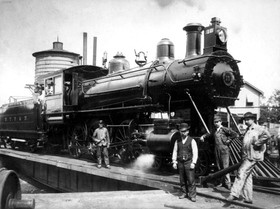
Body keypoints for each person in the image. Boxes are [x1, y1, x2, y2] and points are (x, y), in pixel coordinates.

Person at [227, 112, 270, 204]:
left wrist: (257, 143)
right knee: (247, 177)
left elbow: (267, 135)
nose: (246, 121)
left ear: (253, 119)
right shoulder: (248, 129)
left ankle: (234, 194)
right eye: (245, 120)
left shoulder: (259, 128)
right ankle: (248, 198)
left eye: (248, 119)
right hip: (246, 155)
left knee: (241, 172)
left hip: (252, 156)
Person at [201, 115, 238, 190]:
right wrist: (203, 136)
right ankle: (221, 183)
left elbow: (235, 134)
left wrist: (229, 140)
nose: (216, 123)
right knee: (219, 167)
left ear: (221, 122)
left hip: (224, 150)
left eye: (217, 122)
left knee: (225, 167)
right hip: (217, 150)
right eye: (215, 122)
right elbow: (209, 134)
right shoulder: (215, 130)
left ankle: (228, 184)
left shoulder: (224, 129)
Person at [172, 123, 198, 202]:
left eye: (184, 131)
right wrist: (174, 162)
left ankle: (192, 195)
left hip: (188, 162)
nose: (183, 133)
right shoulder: (177, 141)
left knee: (191, 180)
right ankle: (184, 193)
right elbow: (175, 151)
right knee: (182, 179)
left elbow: (195, 152)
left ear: (187, 132)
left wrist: (193, 162)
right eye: (181, 131)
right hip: (180, 162)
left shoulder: (192, 140)